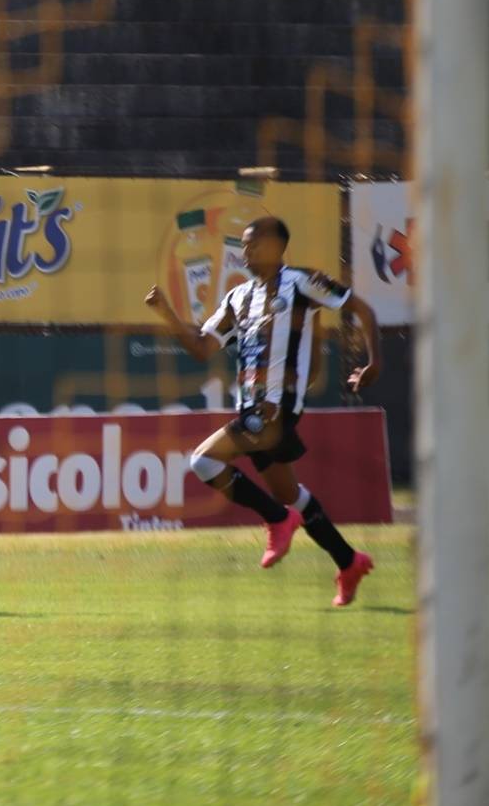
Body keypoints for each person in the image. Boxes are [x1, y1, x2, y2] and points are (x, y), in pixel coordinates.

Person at [144, 216, 383, 605]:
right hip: (253, 408)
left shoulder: (303, 282)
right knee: (292, 494)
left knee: (204, 462)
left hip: (275, 411)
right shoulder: (238, 298)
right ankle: (348, 560)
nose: (246, 252)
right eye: (242, 244)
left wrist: (374, 364)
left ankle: (276, 519)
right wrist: (167, 313)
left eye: (252, 244)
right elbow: (203, 347)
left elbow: (363, 311)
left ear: (275, 246)